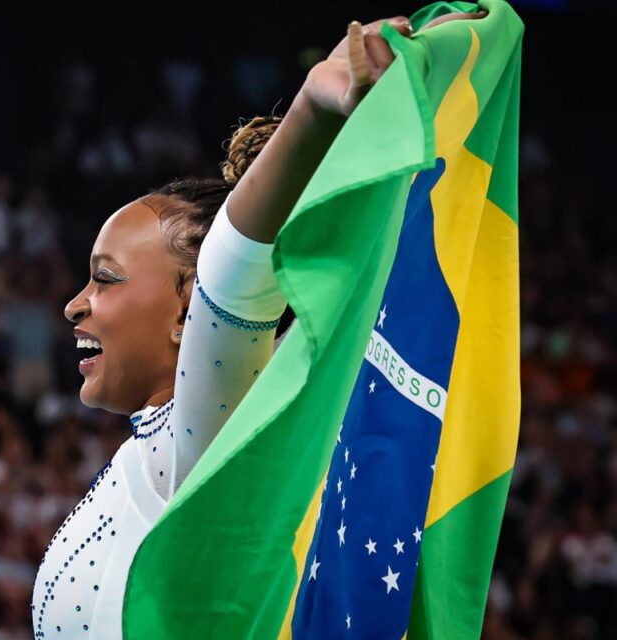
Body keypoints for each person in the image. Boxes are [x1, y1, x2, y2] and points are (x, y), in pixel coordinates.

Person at [33, 10, 486, 638]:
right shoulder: (160, 446)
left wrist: (312, 108)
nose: (74, 305)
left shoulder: (206, 440)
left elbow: (233, 279)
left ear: (188, 306)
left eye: (105, 277)